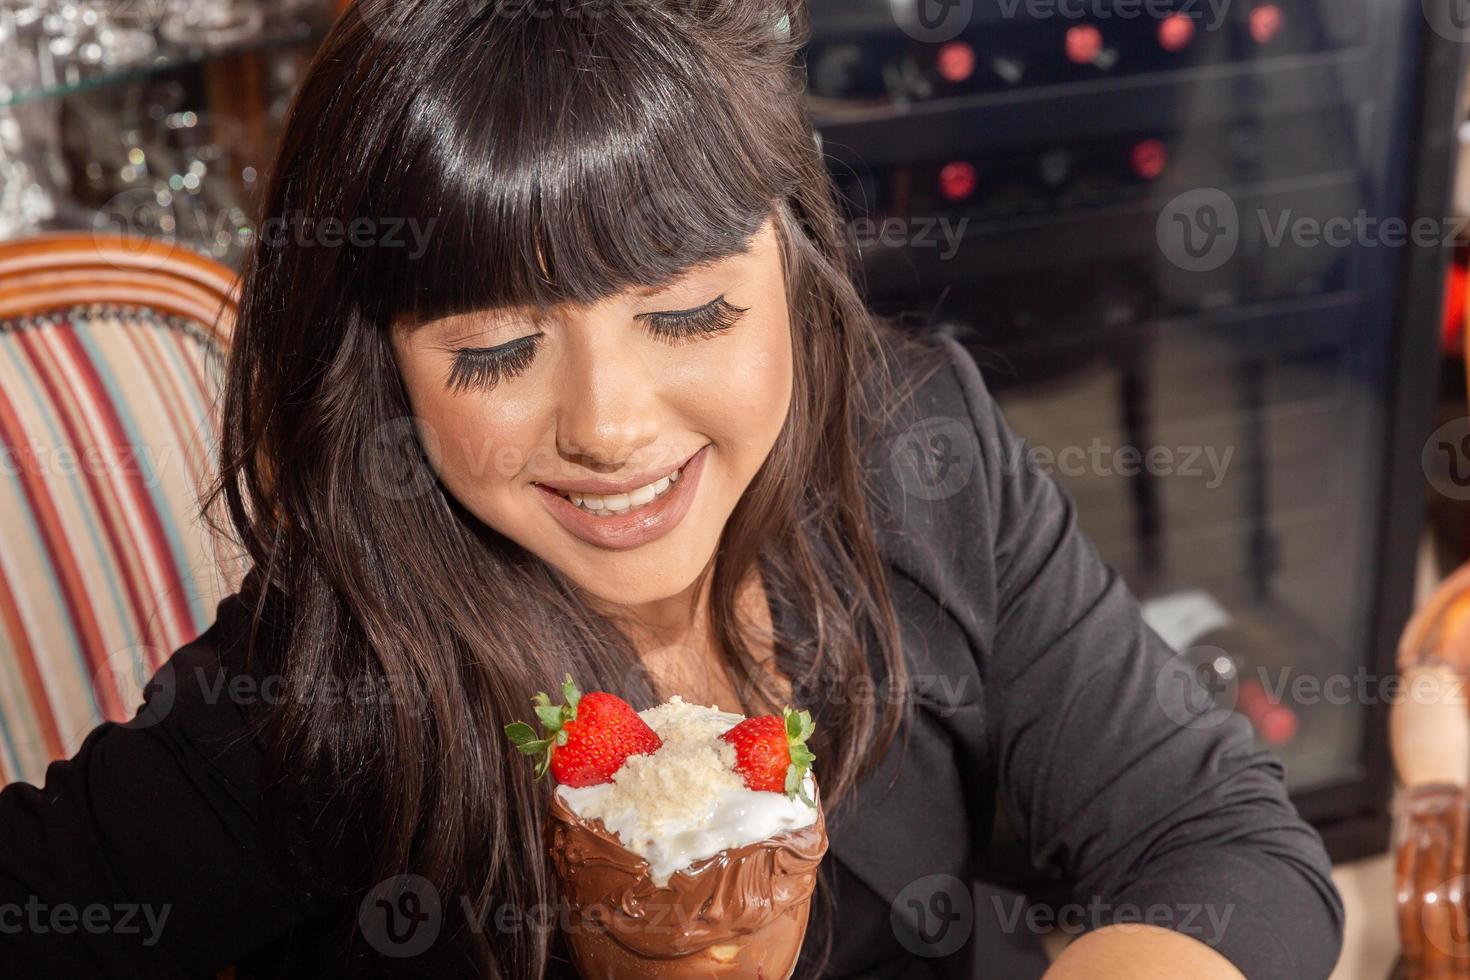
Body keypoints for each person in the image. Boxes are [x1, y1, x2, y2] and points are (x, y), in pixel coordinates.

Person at [0, 0, 1343, 976]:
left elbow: (1215, 838)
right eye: (496, 351)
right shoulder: (333, 666)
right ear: (384, 379)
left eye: (690, 314)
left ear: (794, 273)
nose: (609, 426)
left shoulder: (918, 454)